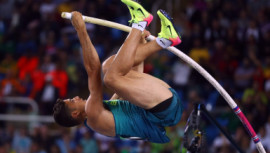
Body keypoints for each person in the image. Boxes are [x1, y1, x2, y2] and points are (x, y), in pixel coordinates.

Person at [53, 0, 182, 143]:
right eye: (72, 100)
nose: (76, 97)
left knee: (109, 66)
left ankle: (164, 40)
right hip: (164, 110)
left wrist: (138, 40)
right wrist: (81, 30)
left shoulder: (107, 111)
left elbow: (131, 76)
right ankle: (141, 23)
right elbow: (92, 69)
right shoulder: (93, 115)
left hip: (163, 105)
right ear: (75, 113)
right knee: (110, 78)